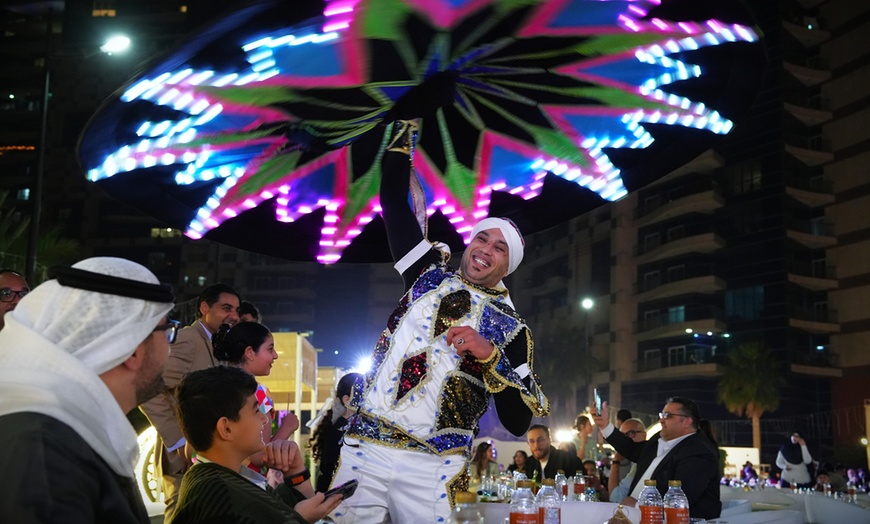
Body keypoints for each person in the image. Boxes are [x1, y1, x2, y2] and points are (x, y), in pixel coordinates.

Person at [329, 120, 549, 523]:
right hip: (366, 448)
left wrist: (489, 355)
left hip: (433, 467)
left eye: (500, 248)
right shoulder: (427, 273)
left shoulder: (512, 329)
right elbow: (394, 203)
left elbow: (518, 422)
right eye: (482, 238)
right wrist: (404, 131)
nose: (485, 250)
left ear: (508, 266)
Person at [0, 257, 176, 522]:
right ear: (132, 349)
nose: (170, 347)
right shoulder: (45, 457)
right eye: (167, 331)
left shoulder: (68, 429)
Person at [171, 365, 342, 523]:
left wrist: (296, 472)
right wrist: (300, 519)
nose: (264, 419)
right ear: (226, 428)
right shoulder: (219, 496)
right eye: (255, 410)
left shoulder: (226, 481)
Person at [141, 282, 241, 521]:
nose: (234, 316)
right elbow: (147, 388)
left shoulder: (216, 343)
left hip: (206, 454)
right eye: (226, 308)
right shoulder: (188, 339)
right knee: (181, 515)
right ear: (205, 308)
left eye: (237, 310)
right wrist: (179, 439)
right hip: (184, 457)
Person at [591, 397, 721, 520]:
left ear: (687, 421)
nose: (661, 420)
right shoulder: (659, 439)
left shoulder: (699, 452)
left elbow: (681, 500)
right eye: (662, 415)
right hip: (633, 516)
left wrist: (637, 506)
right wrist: (605, 425)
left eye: (668, 416)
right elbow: (632, 449)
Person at [212, 322, 300, 472]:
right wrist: (288, 426)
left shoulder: (211, 385)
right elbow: (260, 456)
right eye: (270, 349)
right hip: (242, 478)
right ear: (250, 352)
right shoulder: (257, 393)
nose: (275, 355)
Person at [309, 372, 363, 492]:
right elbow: (329, 473)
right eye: (364, 395)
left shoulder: (356, 427)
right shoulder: (338, 431)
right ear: (347, 400)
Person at [608, 418, 648, 504]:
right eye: (622, 436)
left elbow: (615, 497)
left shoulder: (645, 461)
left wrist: (615, 461)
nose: (626, 440)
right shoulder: (630, 462)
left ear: (644, 435)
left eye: (631, 433)